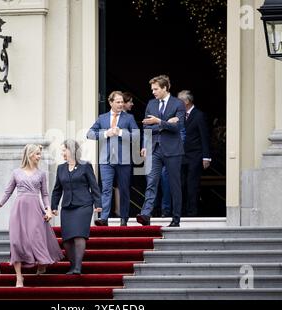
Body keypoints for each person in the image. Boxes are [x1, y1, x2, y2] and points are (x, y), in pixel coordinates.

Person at [0, 144, 64, 288]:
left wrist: (48, 210)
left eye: (39, 154)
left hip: (36, 209)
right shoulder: (16, 173)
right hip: (19, 210)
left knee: (36, 239)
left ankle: (42, 263)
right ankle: (19, 277)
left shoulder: (41, 174)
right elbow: (8, 192)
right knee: (16, 242)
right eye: (37, 154)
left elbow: (45, 194)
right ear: (30, 155)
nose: (39, 156)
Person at [137, 75, 185, 227]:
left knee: (174, 184)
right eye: (152, 89)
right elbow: (146, 127)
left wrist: (158, 122)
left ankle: (176, 219)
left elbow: (178, 127)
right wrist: (145, 145)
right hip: (154, 148)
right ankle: (145, 214)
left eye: (156, 89)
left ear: (165, 88)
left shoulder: (178, 103)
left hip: (173, 150)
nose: (153, 92)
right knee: (151, 182)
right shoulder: (151, 104)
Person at [87, 91, 139, 226]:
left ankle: (124, 218)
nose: (121, 104)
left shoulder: (129, 118)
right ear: (111, 102)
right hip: (106, 160)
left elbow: (137, 136)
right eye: (118, 102)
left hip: (124, 159)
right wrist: (106, 133)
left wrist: (121, 132)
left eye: (122, 102)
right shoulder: (102, 118)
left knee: (124, 189)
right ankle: (104, 218)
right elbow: (90, 134)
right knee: (106, 188)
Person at [51, 140, 102, 274]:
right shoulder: (61, 168)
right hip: (67, 207)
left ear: (72, 150)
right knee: (67, 239)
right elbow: (57, 189)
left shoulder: (85, 166)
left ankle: (78, 267)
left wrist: (98, 204)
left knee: (79, 236)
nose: (62, 153)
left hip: (84, 205)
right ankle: (72, 266)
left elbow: (94, 186)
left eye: (64, 150)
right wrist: (54, 206)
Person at [178, 90, 211, 217]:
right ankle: (180, 212)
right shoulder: (179, 115)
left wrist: (206, 157)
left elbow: (204, 137)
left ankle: (192, 212)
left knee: (192, 184)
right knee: (180, 184)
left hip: (195, 156)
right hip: (181, 155)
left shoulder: (199, 115)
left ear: (187, 102)